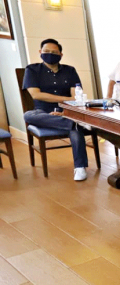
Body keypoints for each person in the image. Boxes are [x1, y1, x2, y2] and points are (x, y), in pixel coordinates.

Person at [23, 38, 89, 181]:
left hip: (67, 111)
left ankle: (79, 167)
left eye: (54, 52)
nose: (50, 54)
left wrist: (64, 111)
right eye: (46, 51)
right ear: (40, 52)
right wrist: (64, 101)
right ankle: (73, 122)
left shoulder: (70, 70)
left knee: (75, 129)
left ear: (61, 55)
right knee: (28, 115)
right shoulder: (32, 69)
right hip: (42, 112)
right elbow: (36, 94)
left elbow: (76, 96)